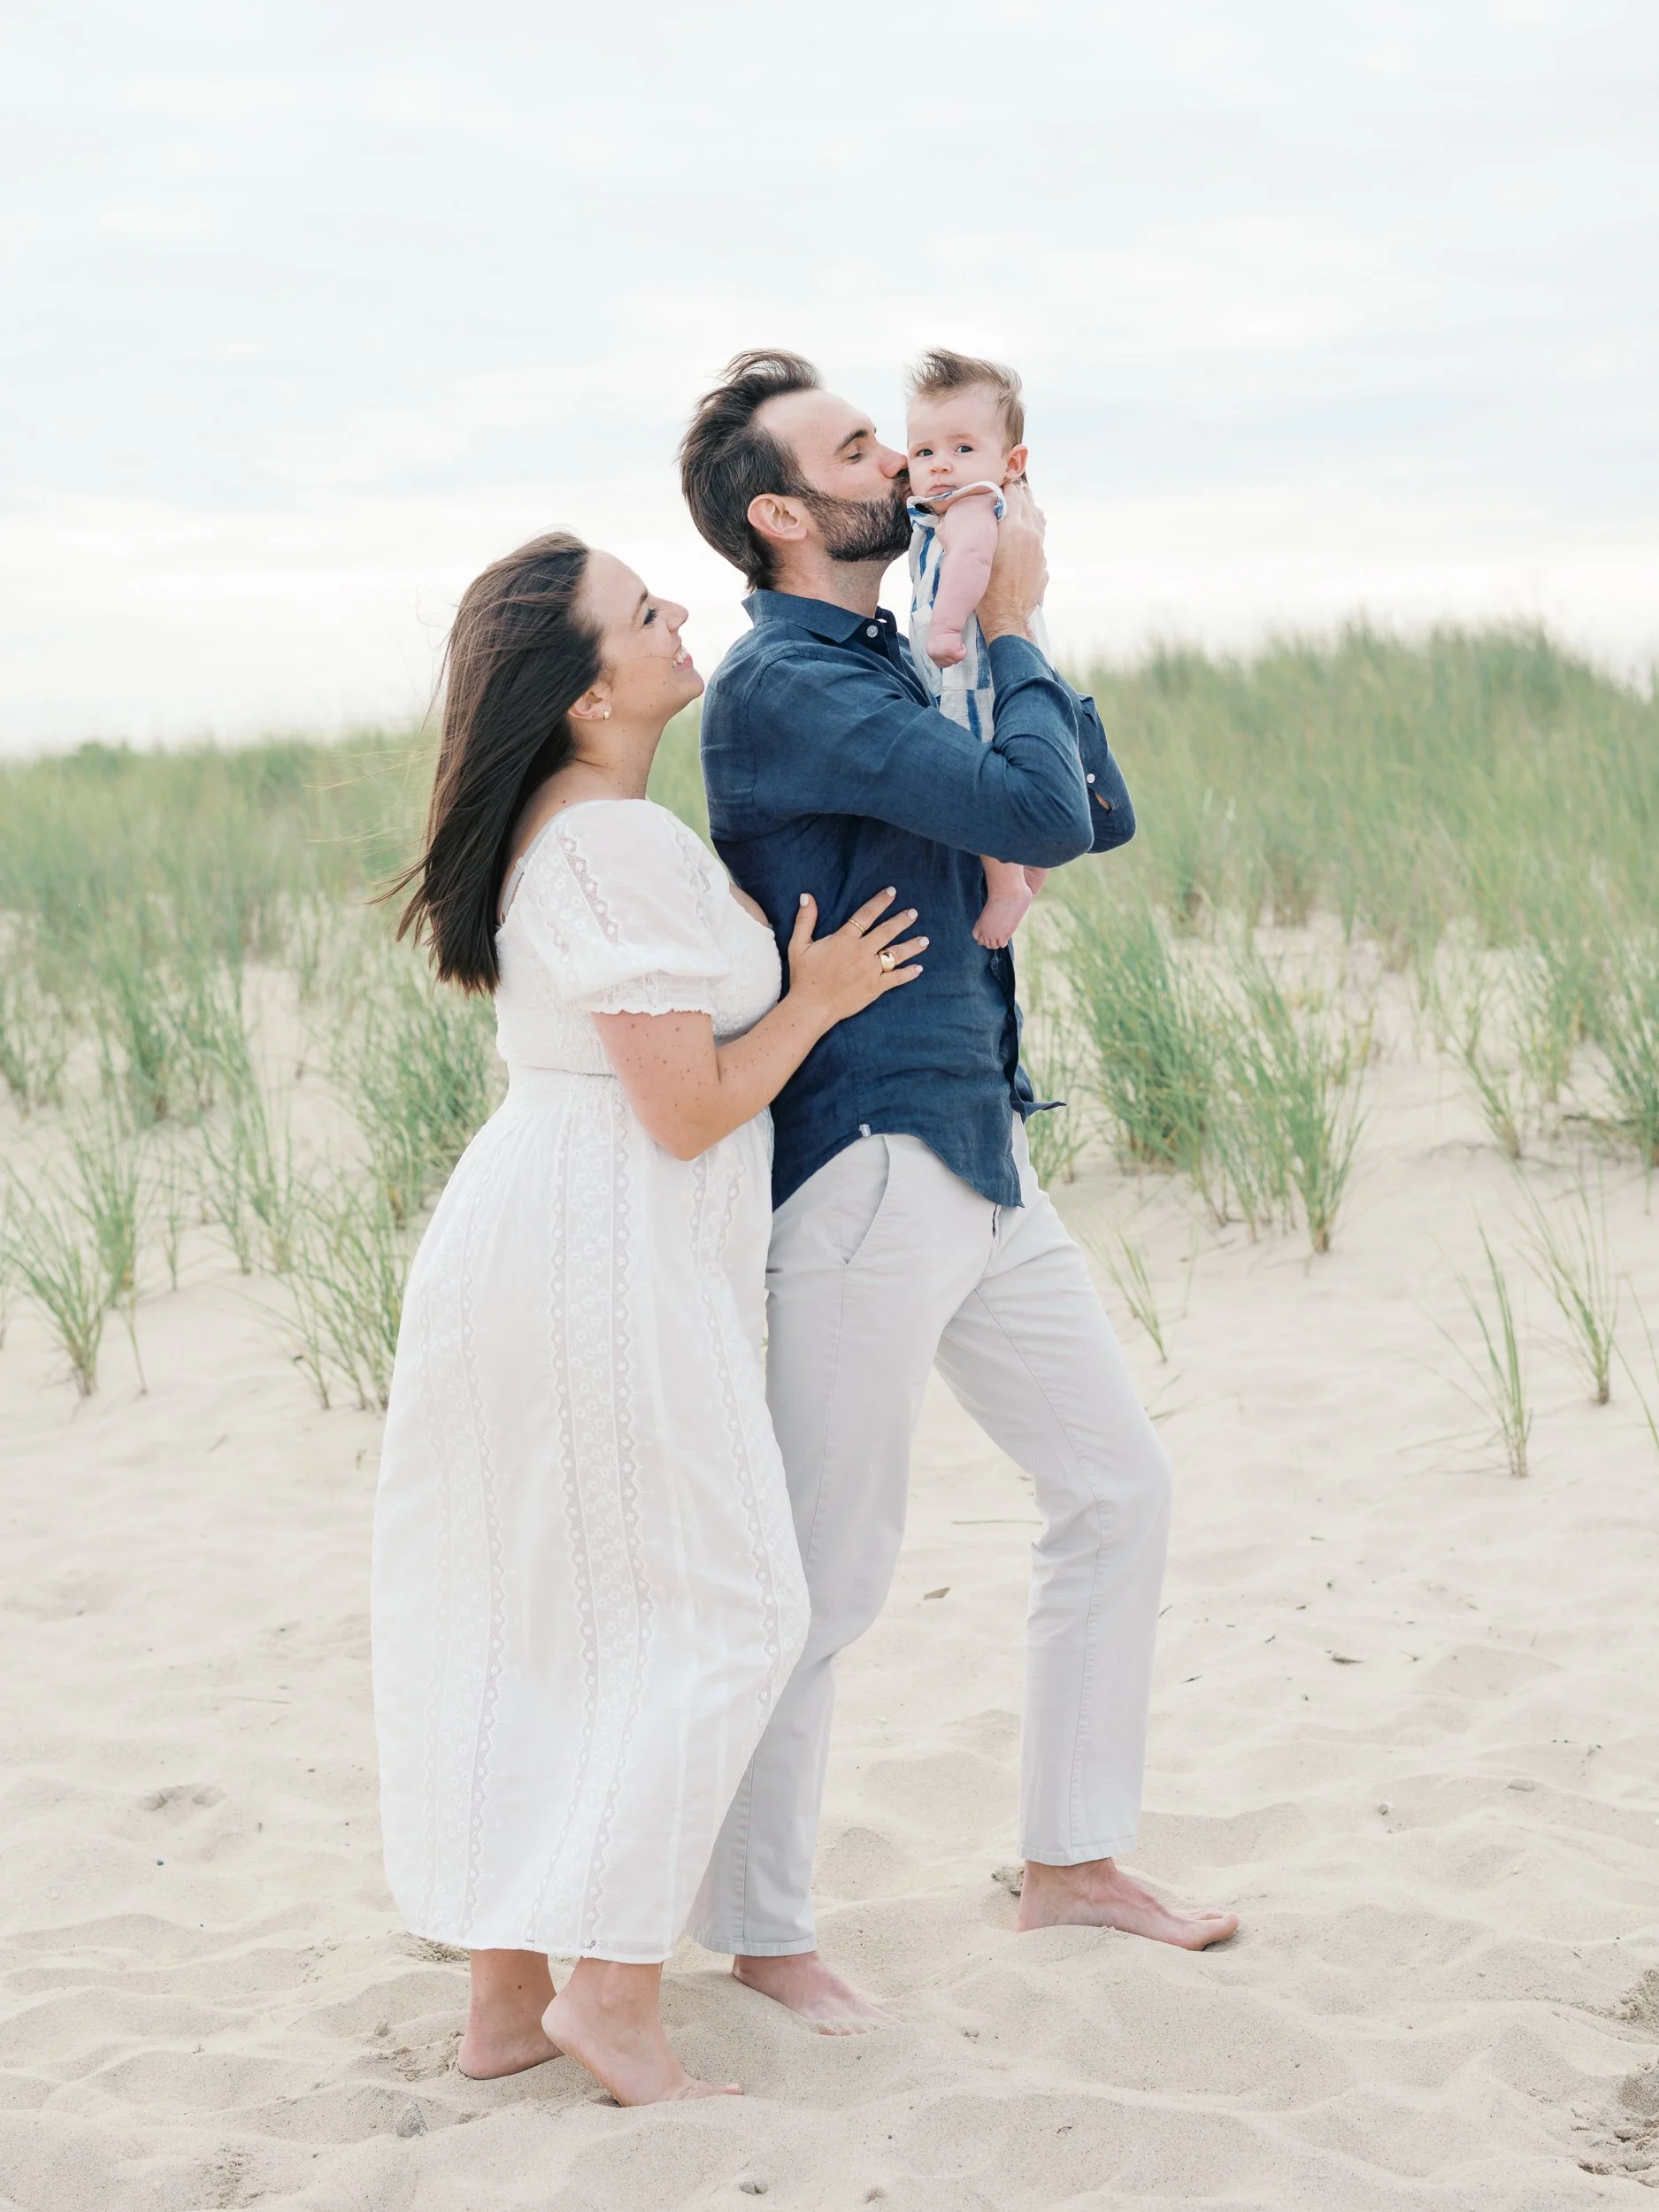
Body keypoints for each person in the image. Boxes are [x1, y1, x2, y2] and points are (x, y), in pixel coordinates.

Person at [678, 351, 1239, 2034]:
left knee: (1115, 1489)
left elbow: (1094, 808)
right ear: (783, 514)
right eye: (860, 448)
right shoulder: (786, 684)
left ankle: (1072, 1862)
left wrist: (1007, 618)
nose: (900, 464)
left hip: (981, 1146)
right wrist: (1009, 631)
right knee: (828, 1574)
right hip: (859, 1166)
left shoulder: (893, 653)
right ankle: (763, 1933)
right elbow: (1039, 814)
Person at [370, 530, 926, 2103]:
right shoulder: (605, 845)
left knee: (547, 1612)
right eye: (643, 609)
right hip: (599, 1251)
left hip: (561, 1241)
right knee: (733, 1605)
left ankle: (504, 2004)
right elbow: (682, 1112)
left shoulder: (592, 826)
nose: (680, 614)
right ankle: (609, 1997)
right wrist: (815, 1002)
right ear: (580, 690)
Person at [904, 347, 1051, 949]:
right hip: (995, 657)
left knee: (977, 771)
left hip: (971, 665)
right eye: (924, 452)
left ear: (1010, 462)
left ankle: (1005, 883)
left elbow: (968, 562)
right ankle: (1029, 869)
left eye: (962, 449)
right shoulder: (949, 501)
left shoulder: (971, 505)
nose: (942, 465)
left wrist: (943, 627)